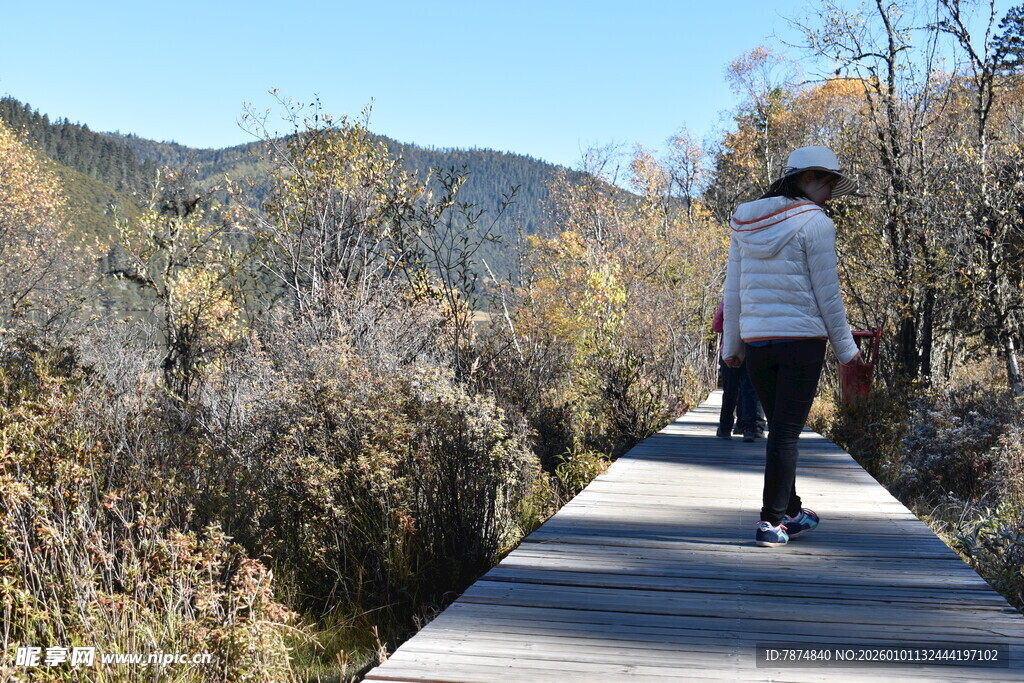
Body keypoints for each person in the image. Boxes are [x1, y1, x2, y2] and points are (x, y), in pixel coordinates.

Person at [722, 145, 868, 548]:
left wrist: (732, 345)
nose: (829, 192)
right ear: (804, 178)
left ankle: (791, 510)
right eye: (826, 181)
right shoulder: (816, 224)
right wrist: (847, 351)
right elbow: (828, 294)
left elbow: (732, 290)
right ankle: (771, 523)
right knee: (785, 434)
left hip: (758, 344)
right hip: (801, 344)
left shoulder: (745, 222)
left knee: (781, 432)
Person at [712, 300, 762, 442]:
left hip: (730, 349)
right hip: (750, 349)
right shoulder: (755, 301)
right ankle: (749, 429)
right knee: (750, 391)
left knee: (730, 391)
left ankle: (725, 428)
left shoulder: (727, 301)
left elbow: (716, 326)